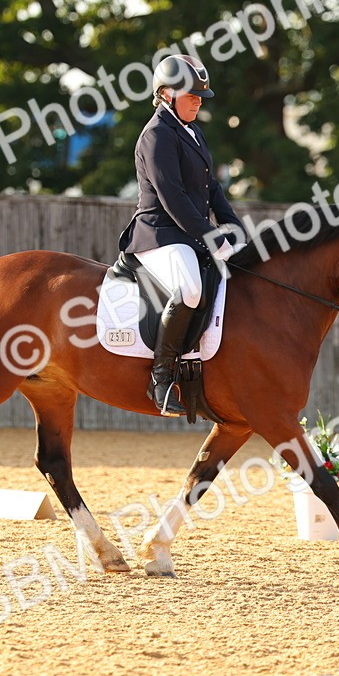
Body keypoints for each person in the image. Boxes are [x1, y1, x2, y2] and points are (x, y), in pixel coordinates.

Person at [117, 54, 248, 416]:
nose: (198, 101)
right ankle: (160, 378)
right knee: (190, 288)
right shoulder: (156, 135)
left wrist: (235, 229)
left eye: (201, 96)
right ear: (165, 94)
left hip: (187, 234)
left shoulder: (192, 131)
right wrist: (210, 235)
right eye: (191, 95)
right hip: (159, 234)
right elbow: (171, 196)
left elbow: (212, 189)